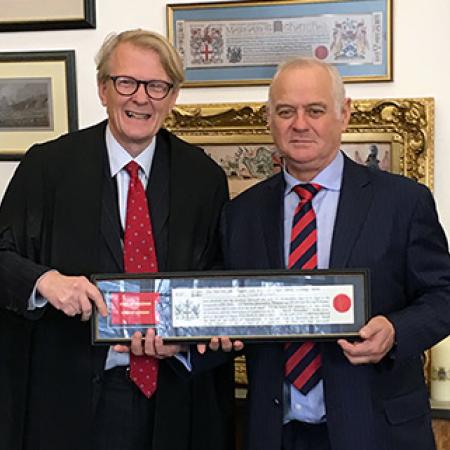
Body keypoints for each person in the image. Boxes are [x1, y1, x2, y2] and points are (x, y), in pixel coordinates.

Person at [0, 29, 233, 450]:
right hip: (69, 401)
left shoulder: (203, 178)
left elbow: (220, 276)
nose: (141, 98)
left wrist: (185, 332)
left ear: (173, 96)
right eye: (126, 82)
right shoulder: (47, 168)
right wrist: (44, 281)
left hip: (175, 401)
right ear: (103, 88)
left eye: (157, 86)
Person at [214, 58, 450, 450]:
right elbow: (225, 307)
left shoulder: (403, 201)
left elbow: (444, 296)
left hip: (379, 432)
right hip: (275, 433)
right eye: (286, 111)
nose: (300, 124)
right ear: (269, 119)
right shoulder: (240, 214)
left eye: (316, 110)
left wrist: (394, 331)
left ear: (345, 113)